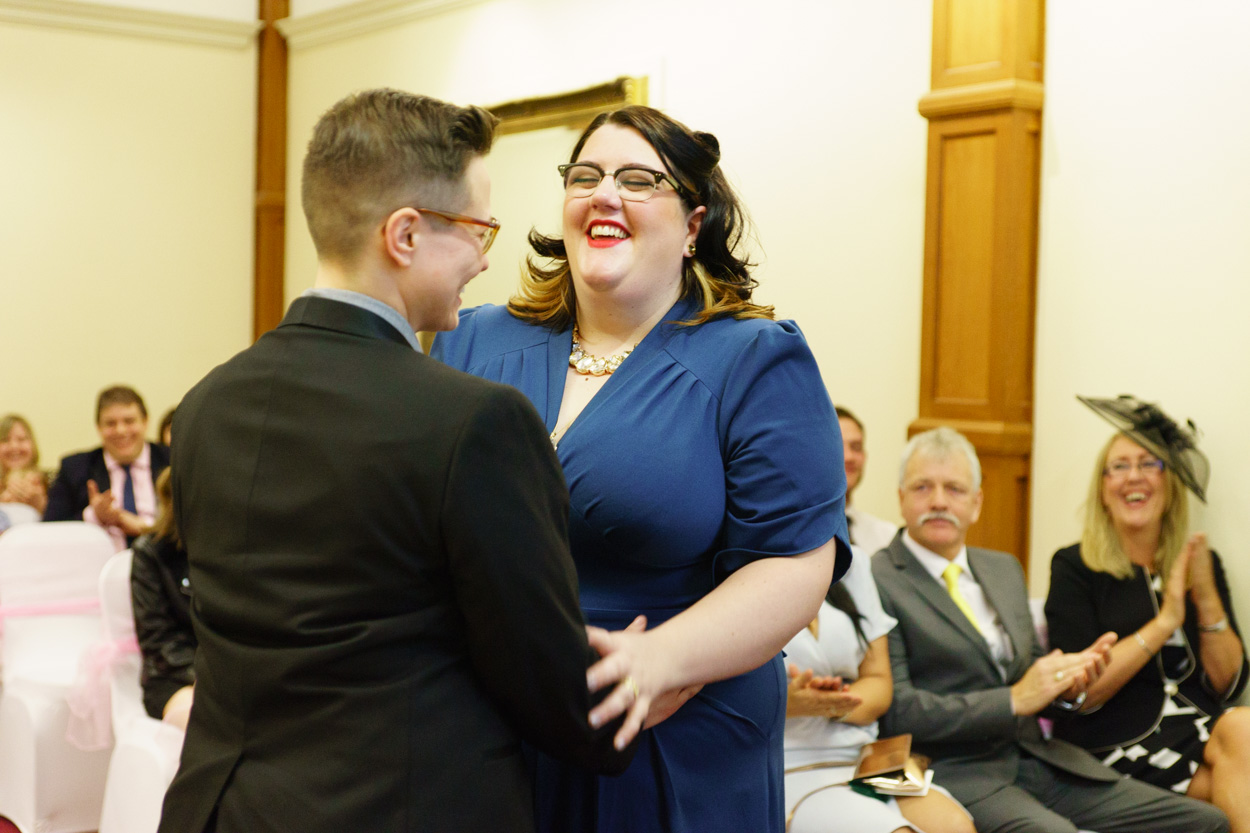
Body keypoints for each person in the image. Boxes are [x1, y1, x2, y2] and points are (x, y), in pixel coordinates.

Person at [157, 89, 633, 833]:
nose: (484, 257)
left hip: (222, 809)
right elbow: (553, 691)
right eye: (480, 228)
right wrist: (643, 676)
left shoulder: (204, 406)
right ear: (405, 234)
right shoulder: (476, 422)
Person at [433, 104, 848, 833]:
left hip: (669, 732)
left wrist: (662, 659)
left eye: (638, 180)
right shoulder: (469, 342)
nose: (604, 194)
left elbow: (792, 567)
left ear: (693, 225)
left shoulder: (753, 359)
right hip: (486, 728)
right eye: (586, 176)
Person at [872, 426, 1228, 833]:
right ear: (901, 498)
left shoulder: (1002, 568)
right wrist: (1011, 700)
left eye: (954, 488)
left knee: (1205, 823)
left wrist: (1070, 683)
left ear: (976, 503)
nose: (938, 501)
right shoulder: (878, 577)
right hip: (948, 768)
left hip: (1037, 758)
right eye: (922, 487)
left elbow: (1035, 675)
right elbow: (895, 710)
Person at [1046, 395, 1250, 831]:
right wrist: (1164, 622)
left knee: (1243, 726)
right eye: (1119, 466)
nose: (1133, 477)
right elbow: (1079, 694)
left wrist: (1206, 594)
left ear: (1170, 483)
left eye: (1149, 464)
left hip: (1203, 732)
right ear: (1102, 490)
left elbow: (1229, 683)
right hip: (1111, 745)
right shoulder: (1074, 567)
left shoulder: (1201, 562)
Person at [784, 547, 975, 833]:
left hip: (860, 759)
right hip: (784, 763)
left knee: (956, 826)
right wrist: (789, 704)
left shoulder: (850, 561)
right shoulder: (733, 566)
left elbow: (878, 681)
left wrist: (833, 704)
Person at [44, 386, 169, 550]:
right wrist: (93, 516)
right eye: (110, 423)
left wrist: (146, 529)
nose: (121, 430)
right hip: (96, 567)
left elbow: (193, 523)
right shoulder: (75, 468)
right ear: (99, 428)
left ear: (145, 422)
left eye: (129, 421)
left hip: (165, 565)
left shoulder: (171, 460)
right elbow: (49, 531)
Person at [131, 468, 195, 730]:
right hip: (174, 676)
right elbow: (158, 641)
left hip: (230, 675)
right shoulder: (151, 553)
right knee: (214, 722)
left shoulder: (232, 548)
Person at [838, 406, 898, 554]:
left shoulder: (887, 538)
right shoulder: (794, 532)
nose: (849, 457)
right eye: (837, 446)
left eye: (856, 447)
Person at [0, 414, 48, 515]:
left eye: (21, 439)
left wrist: (40, 504)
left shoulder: (53, 483)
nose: (14, 446)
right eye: (5, 440)